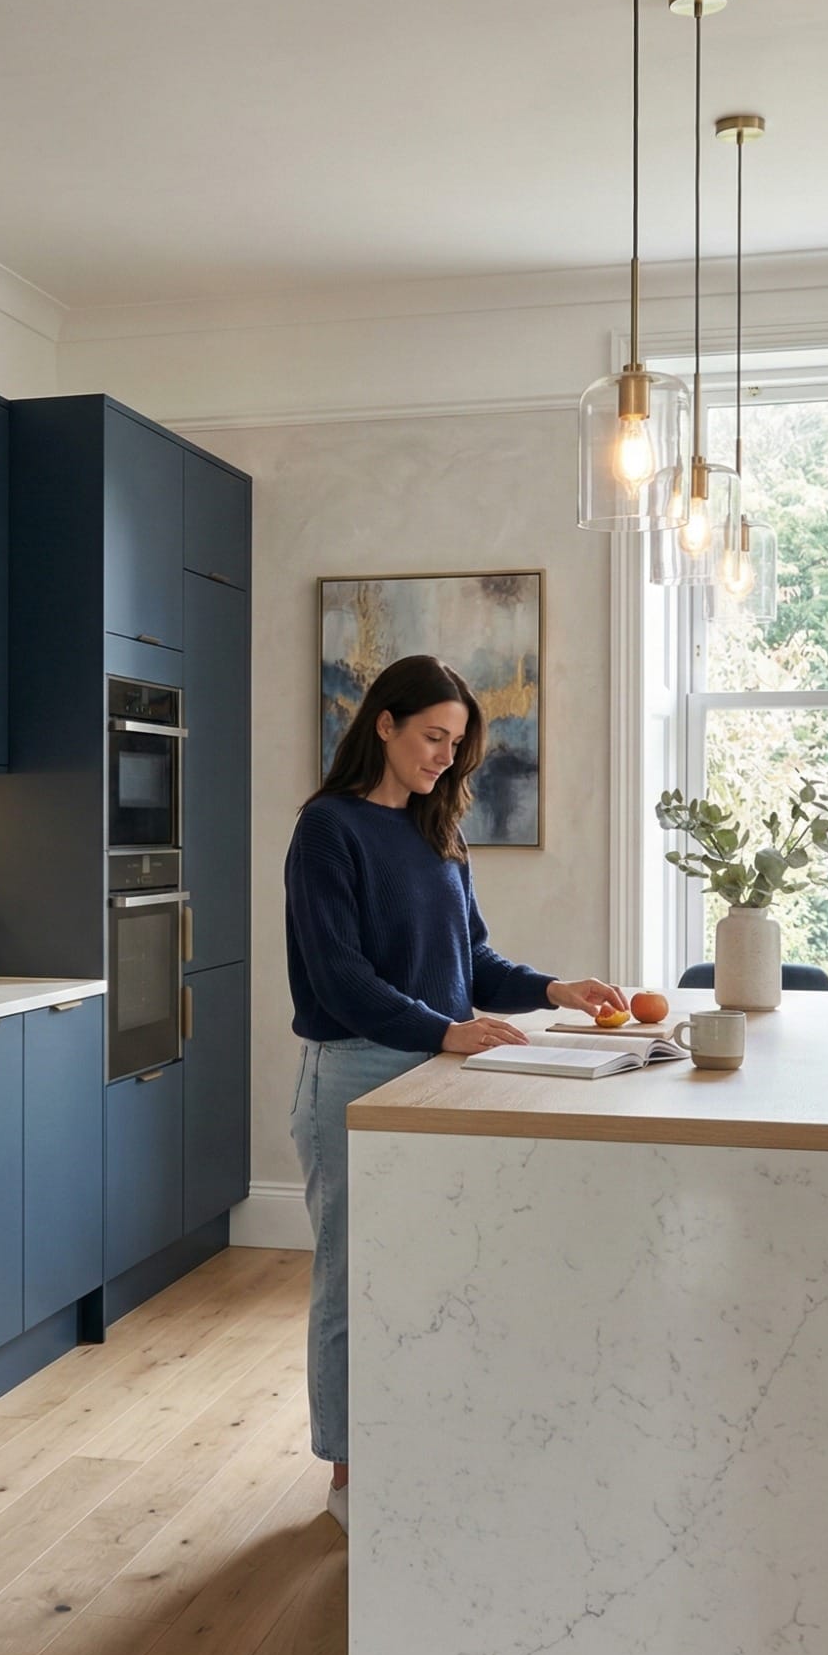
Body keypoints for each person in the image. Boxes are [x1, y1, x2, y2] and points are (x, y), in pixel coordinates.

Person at [285, 653, 622, 1533]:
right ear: (383, 725)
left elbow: (474, 963)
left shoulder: (440, 834)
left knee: (430, 1269)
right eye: (433, 736)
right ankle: (350, 1481)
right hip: (356, 1070)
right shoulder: (329, 829)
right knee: (353, 1282)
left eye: (457, 743)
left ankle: (418, 1444)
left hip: (435, 1074)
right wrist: (445, 1030)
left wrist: (557, 990)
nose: (445, 756)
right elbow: (341, 976)